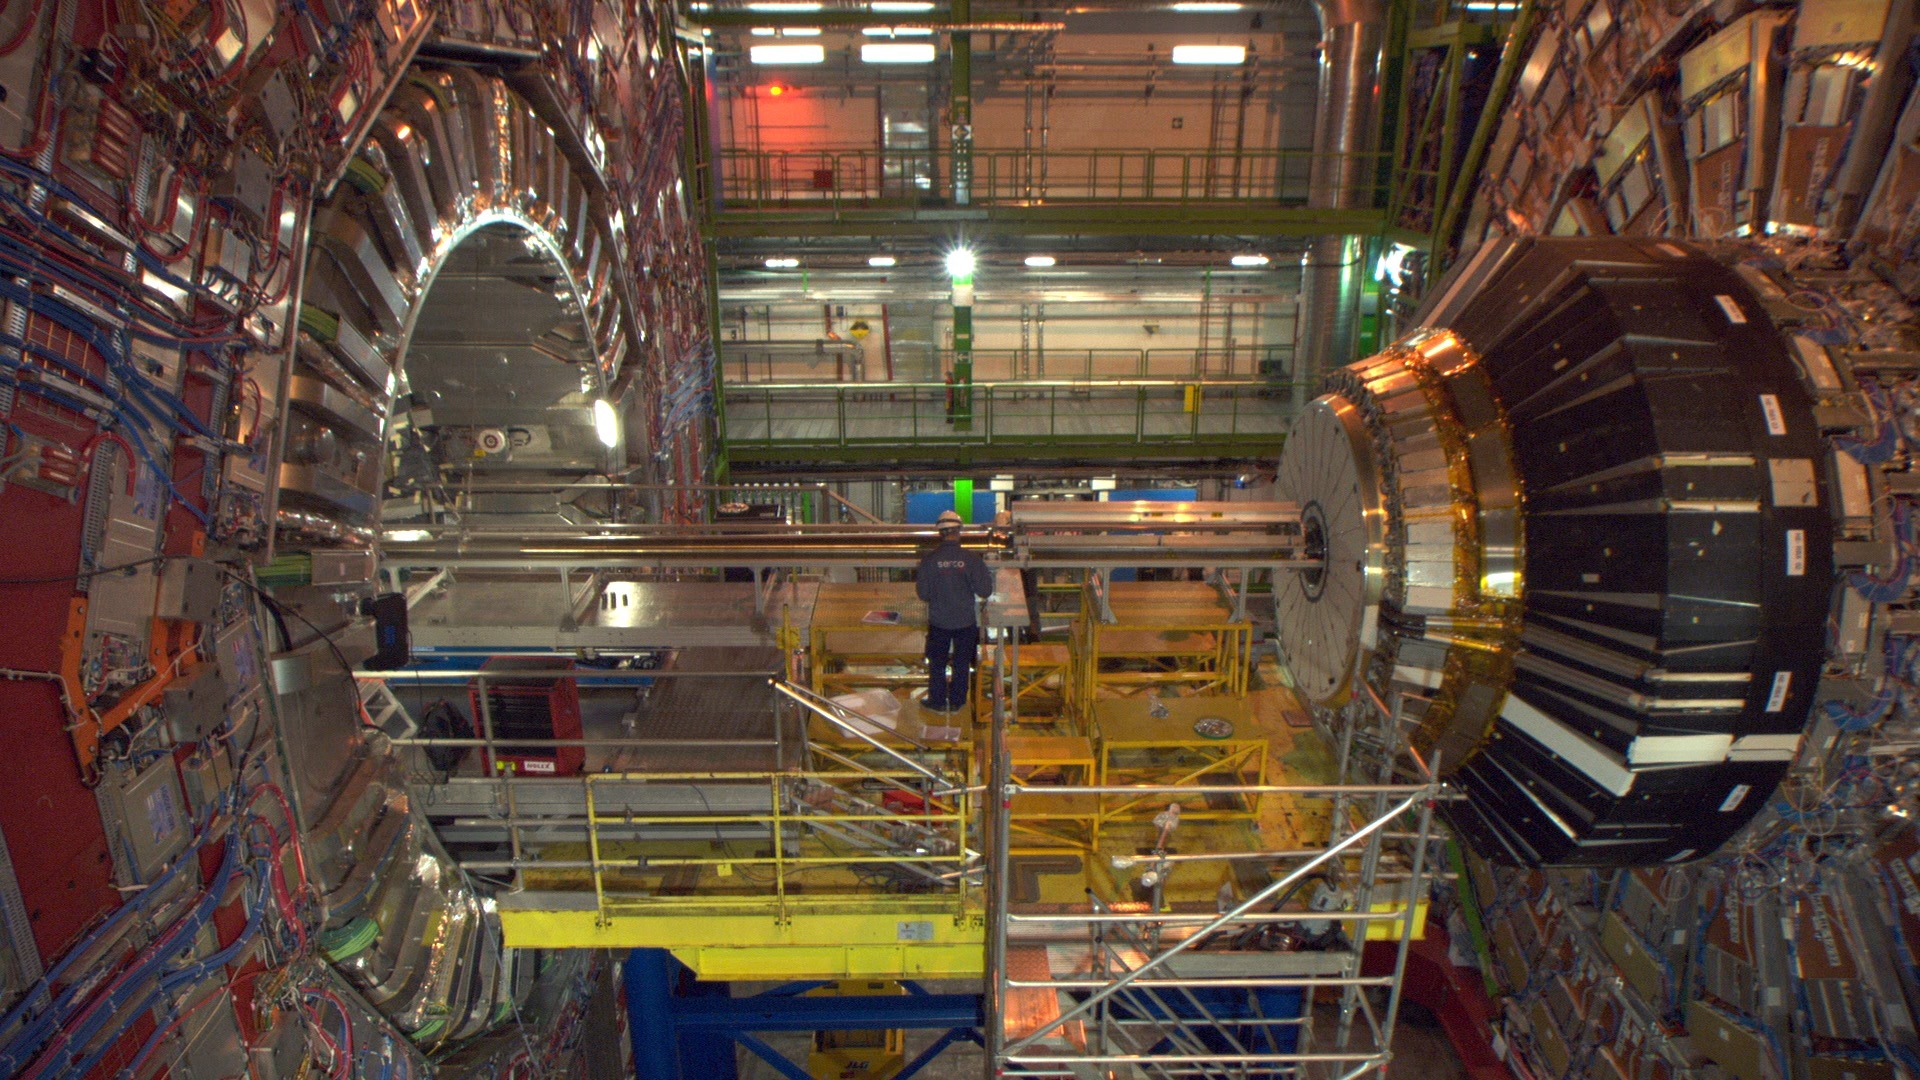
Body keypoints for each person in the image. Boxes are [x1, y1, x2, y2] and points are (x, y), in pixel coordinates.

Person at [916, 509, 995, 713]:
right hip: (965, 622)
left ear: (939, 533)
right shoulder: (971, 559)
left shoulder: (929, 560)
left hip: (939, 622)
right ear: (959, 531)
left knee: (937, 664)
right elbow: (985, 590)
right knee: (961, 664)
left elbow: (923, 594)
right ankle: (958, 701)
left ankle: (938, 701)